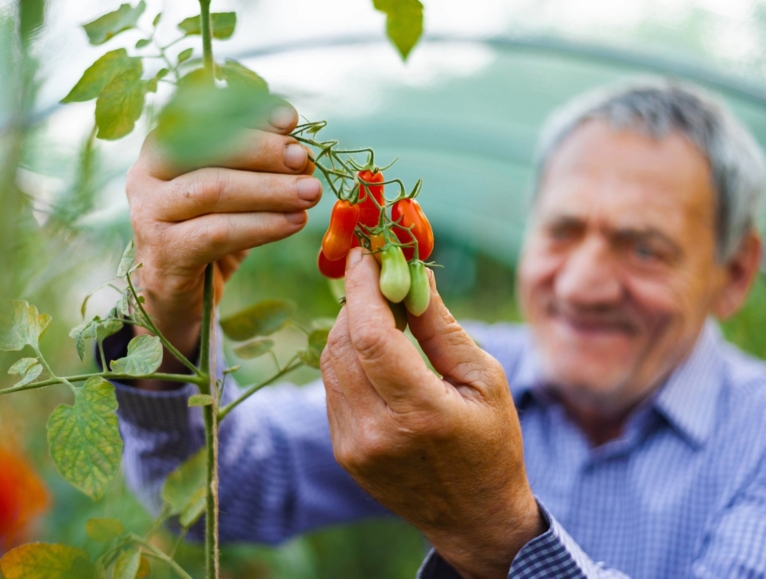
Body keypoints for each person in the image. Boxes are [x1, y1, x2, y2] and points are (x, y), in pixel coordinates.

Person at [110, 78, 766, 578]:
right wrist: (168, 316)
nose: (581, 285)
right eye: (562, 231)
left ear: (735, 273)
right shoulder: (454, 371)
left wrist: (495, 527)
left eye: (644, 248)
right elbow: (224, 488)